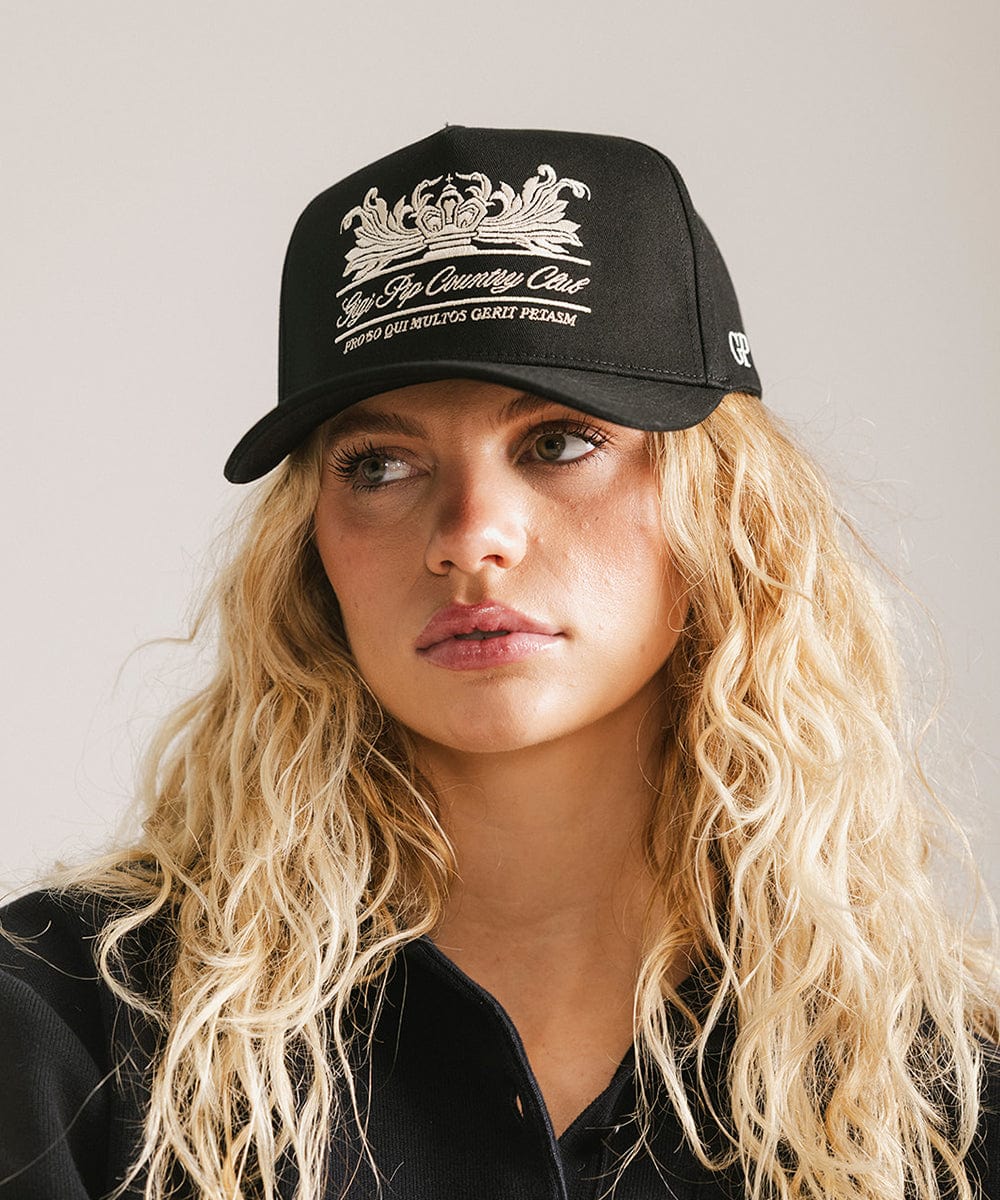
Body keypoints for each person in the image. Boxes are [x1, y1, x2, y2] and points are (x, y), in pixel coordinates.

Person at [1, 125, 997, 1200]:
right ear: (309, 543)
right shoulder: (68, 1031)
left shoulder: (941, 1095)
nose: (469, 535)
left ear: (728, 507)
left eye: (558, 442)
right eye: (380, 465)